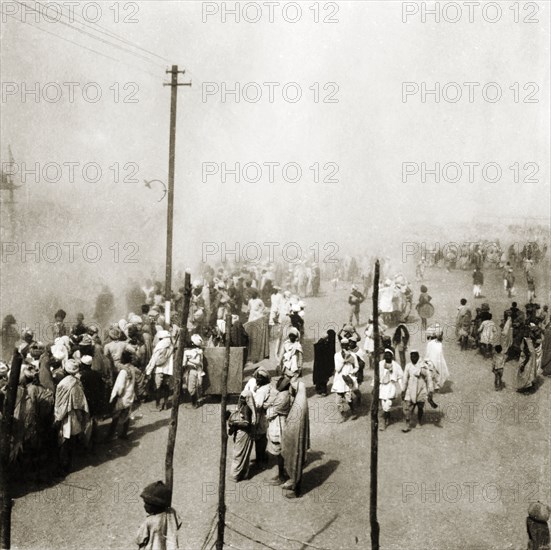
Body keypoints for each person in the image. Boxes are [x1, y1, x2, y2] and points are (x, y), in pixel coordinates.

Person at [54, 359, 90, 475]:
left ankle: (62, 467)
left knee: (63, 442)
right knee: (71, 442)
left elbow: (59, 402)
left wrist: (58, 417)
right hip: (75, 416)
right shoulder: (78, 383)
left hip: (64, 416)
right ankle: (68, 465)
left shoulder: (62, 384)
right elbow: (81, 403)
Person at [281, 379, 309, 498]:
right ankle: (292, 481)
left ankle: (296, 491)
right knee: (293, 461)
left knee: (295, 462)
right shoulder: (301, 401)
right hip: (295, 439)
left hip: (296, 440)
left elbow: (294, 423)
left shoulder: (299, 405)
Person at [137, 481, 182, 550]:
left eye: (147, 504)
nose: (144, 506)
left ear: (156, 505)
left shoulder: (148, 521)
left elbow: (139, 540)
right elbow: (178, 523)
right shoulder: (171, 514)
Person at [265, 376, 292, 485]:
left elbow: (271, 413)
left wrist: (268, 408)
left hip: (279, 423)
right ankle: (282, 473)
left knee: (280, 450)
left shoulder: (282, 397)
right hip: (281, 420)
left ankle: (282, 476)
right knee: (280, 450)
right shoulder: (285, 394)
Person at [401, 350, 434, 432]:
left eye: (415, 356)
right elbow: (405, 379)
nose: (413, 358)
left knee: (420, 407)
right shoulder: (408, 366)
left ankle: (419, 422)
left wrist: (430, 390)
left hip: (421, 389)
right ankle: (407, 424)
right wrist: (403, 390)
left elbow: (429, 379)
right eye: (411, 356)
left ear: (418, 356)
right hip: (410, 389)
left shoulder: (423, 366)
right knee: (408, 407)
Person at [228, 389, 256, 482]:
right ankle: (243, 473)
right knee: (241, 453)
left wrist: (235, 423)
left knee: (238, 454)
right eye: (241, 397)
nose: (241, 399)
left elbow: (246, 424)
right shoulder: (243, 406)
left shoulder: (246, 408)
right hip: (241, 433)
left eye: (244, 398)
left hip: (244, 433)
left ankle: (235, 475)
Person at [109, 349, 137, 440]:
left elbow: (120, 386)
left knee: (116, 415)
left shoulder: (123, 372)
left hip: (122, 396)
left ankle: (111, 435)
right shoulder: (132, 368)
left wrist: (116, 395)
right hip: (129, 394)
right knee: (127, 414)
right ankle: (124, 433)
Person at [331, 339, 360, 422]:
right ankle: (343, 415)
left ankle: (353, 411)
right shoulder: (337, 355)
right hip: (340, 379)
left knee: (348, 398)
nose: (344, 347)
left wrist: (352, 372)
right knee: (338, 400)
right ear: (341, 345)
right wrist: (344, 361)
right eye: (342, 345)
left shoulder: (353, 355)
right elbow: (337, 369)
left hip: (348, 379)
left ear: (348, 345)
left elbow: (357, 367)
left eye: (346, 345)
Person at [145, 330, 174, 411]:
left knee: (158, 387)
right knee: (166, 387)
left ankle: (158, 405)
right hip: (168, 370)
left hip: (159, 369)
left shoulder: (159, 346)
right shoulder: (171, 346)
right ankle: (165, 404)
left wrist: (148, 371)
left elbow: (154, 360)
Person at [375, 349, 403, 431]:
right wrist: (374, 387)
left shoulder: (396, 365)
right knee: (383, 405)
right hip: (382, 386)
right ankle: (387, 417)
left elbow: (400, 377)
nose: (387, 356)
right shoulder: (380, 364)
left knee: (387, 404)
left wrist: (402, 389)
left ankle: (383, 422)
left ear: (392, 356)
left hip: (391, 386)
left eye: (389, 354)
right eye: (386, 354)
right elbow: (376, 376)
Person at [183, 333, 205, 409]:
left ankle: (194, 404)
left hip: (193, 370)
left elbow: (198, 361)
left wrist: (188, 360)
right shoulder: (197, 351)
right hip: (194, 370)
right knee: (193, 387)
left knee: (191, 388)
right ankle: (194, 402)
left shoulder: (195, 352)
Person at [313, 329, 336, 395]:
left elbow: (317, 347)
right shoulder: (329, 343)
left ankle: (321, 389)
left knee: (321, 376)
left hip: (320, 363)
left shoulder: (323, 343)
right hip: (325, 363)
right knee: (323, 376)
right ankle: (322, 390)